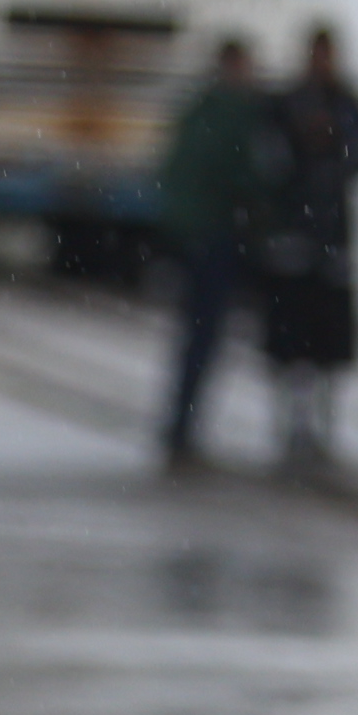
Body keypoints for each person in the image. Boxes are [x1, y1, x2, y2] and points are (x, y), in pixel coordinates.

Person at [150, 32, 275, 470]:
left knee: (195, 335)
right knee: (203, 335)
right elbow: (239, 173)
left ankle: (179, 424)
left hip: (193, 235)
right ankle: (182, 427)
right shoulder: (231, 114)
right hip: (215, 236)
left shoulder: (199, 110)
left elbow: (175, 170)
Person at [255, 23, 358, 474]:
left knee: (328, 345)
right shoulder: (283, 105)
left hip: (333, 242)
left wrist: (335, 150)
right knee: (289, 344)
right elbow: (269, 161)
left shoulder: (348, 104)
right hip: (291, 242)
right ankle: (291, 424)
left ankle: (321, 426)